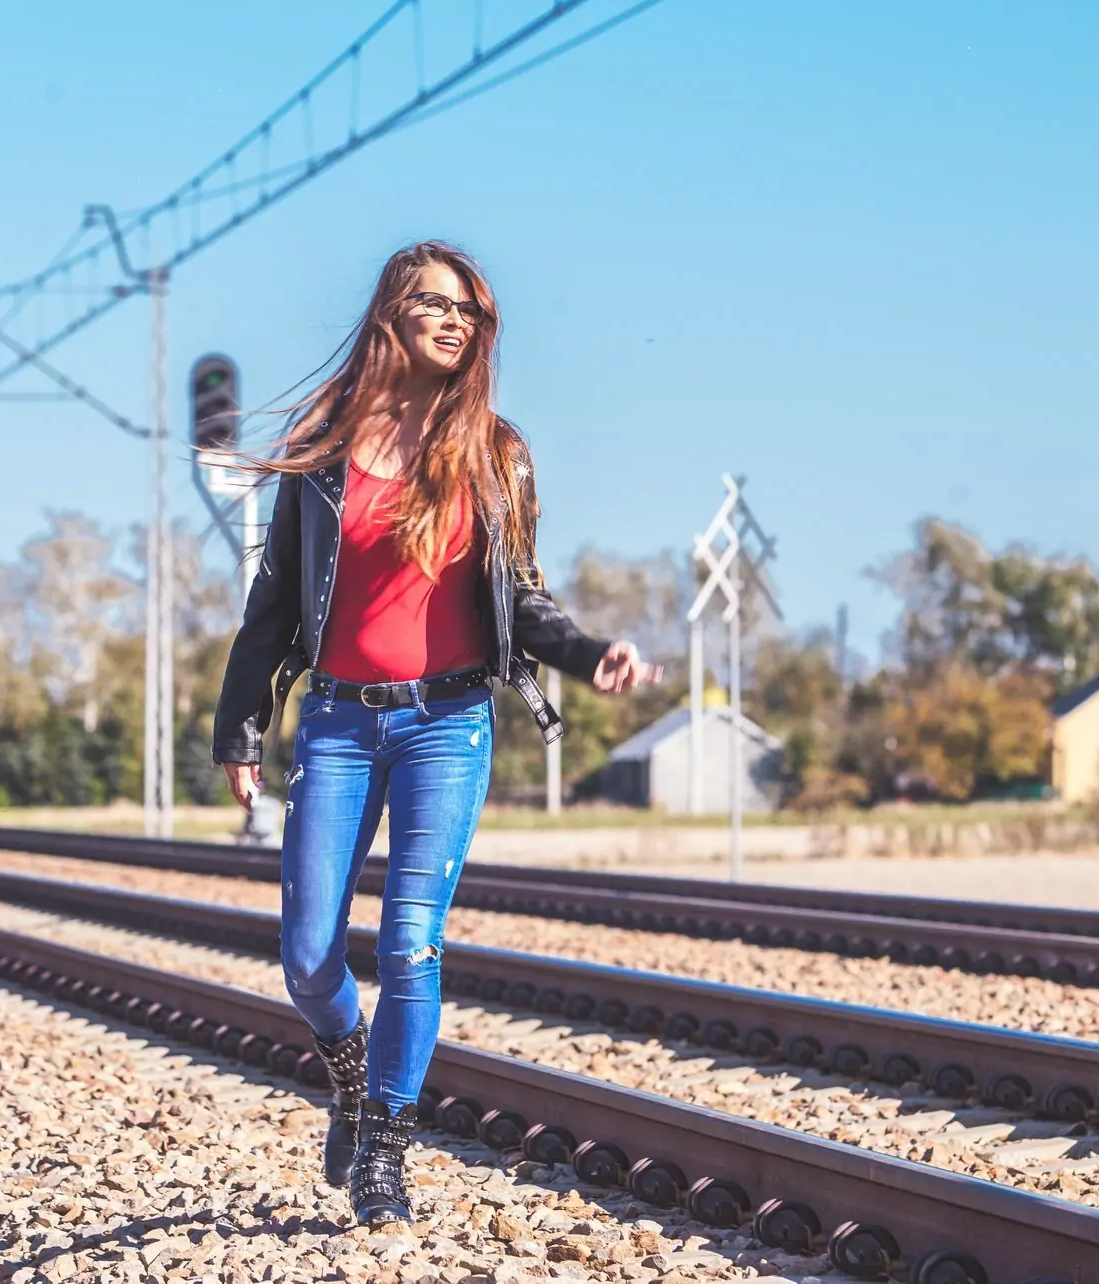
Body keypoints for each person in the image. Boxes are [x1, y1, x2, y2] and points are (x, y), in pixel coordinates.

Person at [211, 241, 660, 1225]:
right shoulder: (324, 454)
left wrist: (591, 655)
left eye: (472, 313)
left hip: (447, 724)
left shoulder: (496, 454)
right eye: (437, 304)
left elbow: (521, 601)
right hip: (334, 721)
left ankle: (384, 1144)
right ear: (389, 314)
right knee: (306, 958)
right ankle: (346, 1068)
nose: (457, 322)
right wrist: (240, 730)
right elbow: (274, 606)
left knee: (410, 942)